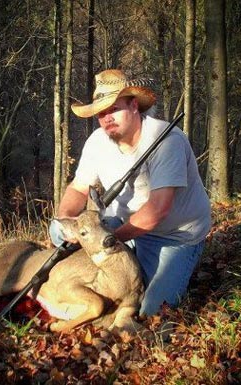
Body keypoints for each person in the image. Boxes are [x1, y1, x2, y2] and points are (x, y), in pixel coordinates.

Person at [49, 69, 211, 316]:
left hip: (173, 236)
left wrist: (108, 240)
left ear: (134, 106)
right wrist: (66, 222)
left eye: (114, 109)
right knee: (56, 230)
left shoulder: (167, 141)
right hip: (121, 226)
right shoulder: (97, 142)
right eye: (101, 113)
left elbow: (157, 210)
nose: (107, 118)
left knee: (150, 310)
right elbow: (78, 187)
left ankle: (179, 266)